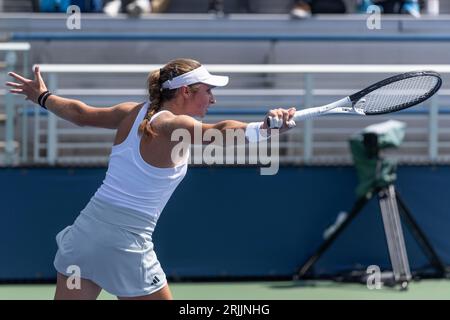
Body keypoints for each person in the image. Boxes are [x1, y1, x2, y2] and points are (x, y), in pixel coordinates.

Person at [6, 58, 296, 300]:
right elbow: (216, 132)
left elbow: (81, 114)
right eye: (208, 90)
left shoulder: (130, 112)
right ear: (185, 91)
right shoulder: (172, 123)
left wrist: (42, 97)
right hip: (125, 244)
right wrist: (263, 129)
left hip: (84, 234)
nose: (213, 98)